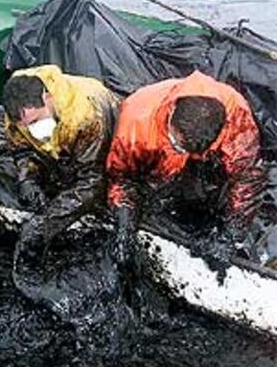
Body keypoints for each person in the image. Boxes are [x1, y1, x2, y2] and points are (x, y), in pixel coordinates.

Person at [106, 70, 266, 271]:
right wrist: (124, 224)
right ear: (172, 112)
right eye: (177, 144)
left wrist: (230, 236)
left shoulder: (236, 114)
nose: (179, 150)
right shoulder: (137, 120)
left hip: (206, 167)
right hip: (158, 163)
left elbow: (248, 178)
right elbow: (121, 178)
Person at [2, 64, 119, 293]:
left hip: (104, 139)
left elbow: (92, 182)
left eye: (36, 121)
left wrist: (44, 224)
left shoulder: (86, 117)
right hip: (62, 144)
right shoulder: (17, 110)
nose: (32, 129)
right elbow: (21, 148)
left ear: (48, 98)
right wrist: (28, 178)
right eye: (26, 125)